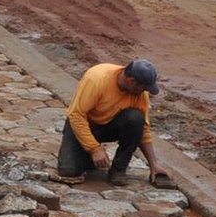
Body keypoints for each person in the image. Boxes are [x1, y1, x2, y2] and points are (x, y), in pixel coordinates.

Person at [57, 59, 171, 187]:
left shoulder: (139, 94)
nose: (145, 92)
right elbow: (76, 115)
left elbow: (143, 129)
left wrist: (153, 164)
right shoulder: (97, 80)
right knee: (69, 170)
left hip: (108, 126)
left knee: (135, 118)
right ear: (132, 82)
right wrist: (94, 149)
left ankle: (118, 170)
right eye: (144, 88)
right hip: (84, 123)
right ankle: (86, 154)